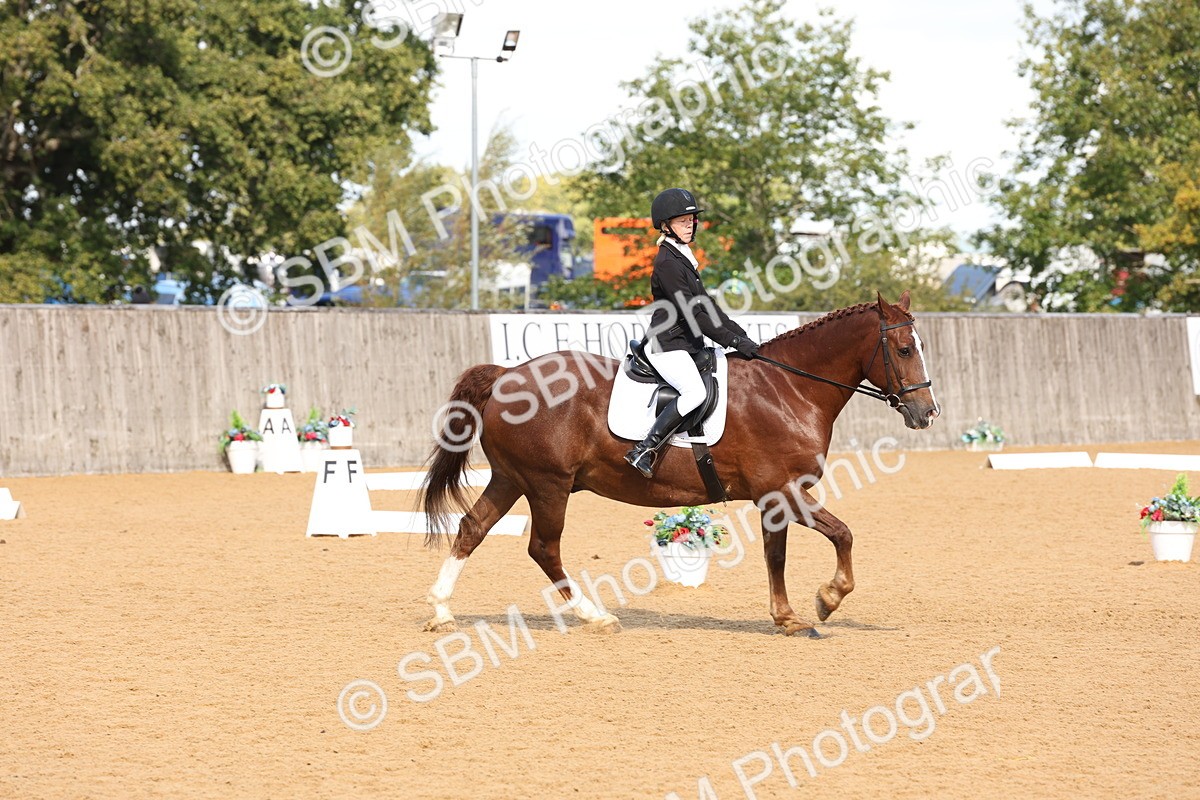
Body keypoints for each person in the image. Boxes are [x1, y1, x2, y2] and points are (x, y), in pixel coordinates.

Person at [623, 188, 759, 478]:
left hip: (687, 344)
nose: (690, 224)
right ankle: (645, 449)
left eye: (692, 219)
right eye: (683, 220)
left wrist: (740, 335)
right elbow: (692, 313)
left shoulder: (683, 256)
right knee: (695, 392)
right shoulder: (668, 263)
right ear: (665, 225)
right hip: (668, 345)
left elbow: (706, 305)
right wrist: (732, 341)